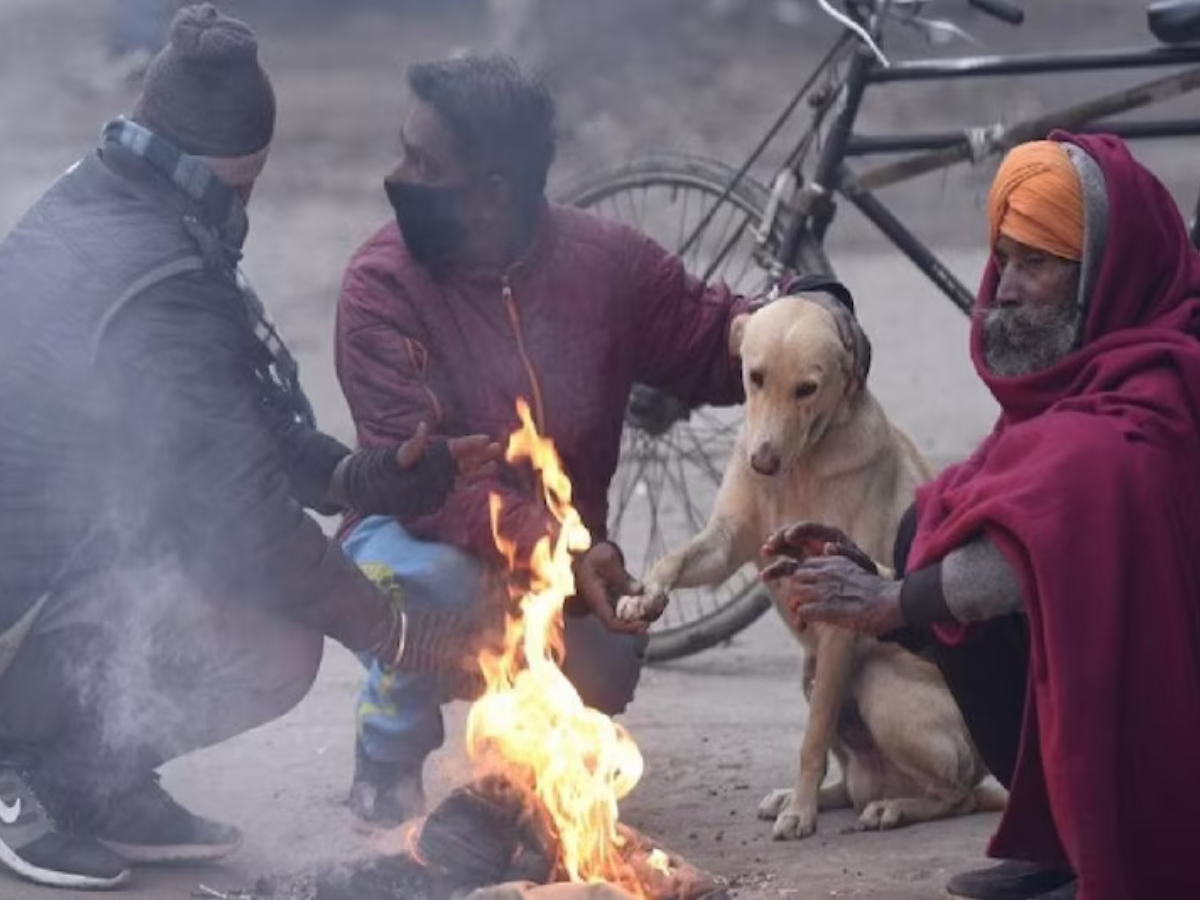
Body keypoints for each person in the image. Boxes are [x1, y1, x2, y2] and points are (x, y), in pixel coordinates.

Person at [0, 5, 499, 891]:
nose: (248, 207)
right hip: (20, 598)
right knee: (274, 644)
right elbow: (249, 518)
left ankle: (90, 778)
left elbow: (239, 422)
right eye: (248, 188)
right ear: (231, 178)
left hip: (62, 565)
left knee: (256, 604)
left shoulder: (126, 197)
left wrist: (373, 478)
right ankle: (20, 768)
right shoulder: (158, 276)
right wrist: (397, 635)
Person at [764, 134, 1200, 900]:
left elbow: (1066, 514)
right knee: (931, 523)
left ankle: (1115, 841)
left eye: (1037, 265)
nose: (1002, 288)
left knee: (1010, 520)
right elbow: (1002, 515)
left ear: (1105, 274)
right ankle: (1068, 838)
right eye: (1004, 259)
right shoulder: (1090, 369)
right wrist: (891, 591)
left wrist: (894, 601)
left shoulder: (1161, 385)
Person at [336, 54, 750, 824]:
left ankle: (511, 779)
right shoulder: (380, 285)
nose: (398, 176)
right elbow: (425, 484)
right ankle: (387, 749)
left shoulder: (607, 265)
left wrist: (804, 316)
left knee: (608, 662)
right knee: (441, 586)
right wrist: (562, 550)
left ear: (491, 190)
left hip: (555, 560)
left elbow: (713, 338)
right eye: (403, 150)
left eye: (422, 162)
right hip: (413, 540)